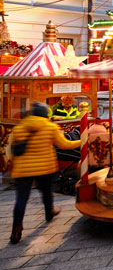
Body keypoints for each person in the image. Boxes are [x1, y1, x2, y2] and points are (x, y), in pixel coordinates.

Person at [8, 102, 81, 244]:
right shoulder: (50, 127)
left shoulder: (19, 128)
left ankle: (16, 228)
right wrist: (81, 140)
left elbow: (12, 150)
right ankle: (49, 212)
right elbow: (64, 145)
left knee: (21, 199)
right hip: (44, 168)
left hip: (22, 169)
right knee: (46, 192)